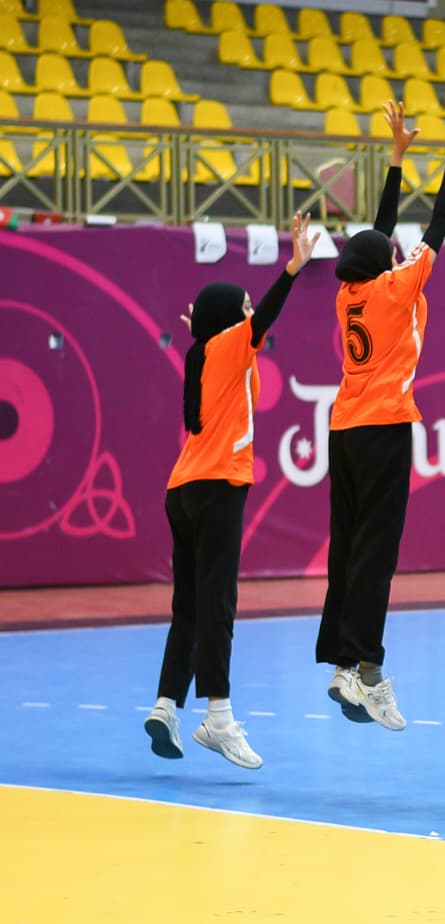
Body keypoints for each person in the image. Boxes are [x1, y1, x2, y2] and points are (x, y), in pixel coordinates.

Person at [145, 212, 320, 770]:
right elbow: (263, 314)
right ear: (230, 321)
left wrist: (213, 320)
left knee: (190, 607)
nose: (251, 313)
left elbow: (242, 326)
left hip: (183, 489)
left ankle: (165, 707)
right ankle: (217, 718)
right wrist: (292, 268)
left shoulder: (209, 352)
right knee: (218, 603)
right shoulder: (227, 346)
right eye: (242, 307)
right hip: (218, 485)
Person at [316, 99, 445, 730]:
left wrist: (398, 157)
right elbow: (440, 222)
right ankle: (366, 671)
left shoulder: (348, 292)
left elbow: (376, 235)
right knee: (377, 553)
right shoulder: (397, 287)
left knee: (349, 548)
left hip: (344, 429)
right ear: (384, 264)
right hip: (383, 428)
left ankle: (343, 665)